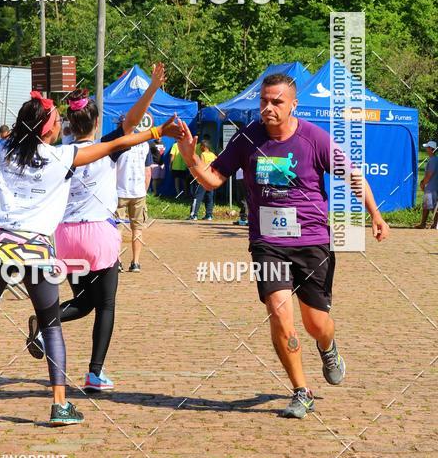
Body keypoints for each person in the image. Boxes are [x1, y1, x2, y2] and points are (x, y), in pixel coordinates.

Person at [0, 91, 181, 426]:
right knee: (51, 326)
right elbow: (113, 146)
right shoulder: (62, 156)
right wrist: (158, 133)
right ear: (47, 130)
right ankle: (59, 405)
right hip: (35, 251)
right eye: (54, 121)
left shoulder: (1, 149)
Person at [176, 72, 390, 420]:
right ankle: (301, 390)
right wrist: (190, 156)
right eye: (264, 101)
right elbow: (213, 179)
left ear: (293, 104)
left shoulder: (314, 139)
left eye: (276, 101)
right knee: (279, 310)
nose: (268, 107)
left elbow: (352, 174)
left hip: (311, 241)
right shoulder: (248, 139)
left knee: (316, 323)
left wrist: (375, 215)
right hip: (267, 243)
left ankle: (327, 346)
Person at [25, 64, 167, 390]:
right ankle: (94, 373)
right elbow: (131, 122)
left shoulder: (57, 153)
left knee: (84, 302)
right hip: (98, 234)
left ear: (70, 125)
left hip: (66, 236)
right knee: (105, 306)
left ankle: (46, 323)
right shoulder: (107, 148)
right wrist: (153, 87)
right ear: (97, 122)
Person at [115, 123, 153, 273]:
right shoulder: (144, 144)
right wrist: (143, 190)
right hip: (138, 193)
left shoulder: (117, 144)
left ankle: (116, 261)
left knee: (116, 229)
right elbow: (148, 172)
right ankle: (135, 262)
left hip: (118, 192)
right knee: (137, 229)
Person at [189, 137, 217, 220]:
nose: (200, 147)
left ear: (204, 147)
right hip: (211, 178)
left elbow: (200, 166)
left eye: (201, 146)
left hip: (203, 178)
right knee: (209, 197)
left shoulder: (202, 155)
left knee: (197, 197)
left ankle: (193, 215)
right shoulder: (213, 155)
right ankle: (209, 215)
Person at [416, 140, 438, 229]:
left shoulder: (433, 160)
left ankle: (425, 224)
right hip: (433, 186)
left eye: (427, 147)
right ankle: (432, 224)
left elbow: (429, 174)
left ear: (431, 149)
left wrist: (423, 183)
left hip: (431, 187)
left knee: (429, 206)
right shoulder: (434, 160)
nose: (425, 149)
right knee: (430, 206)